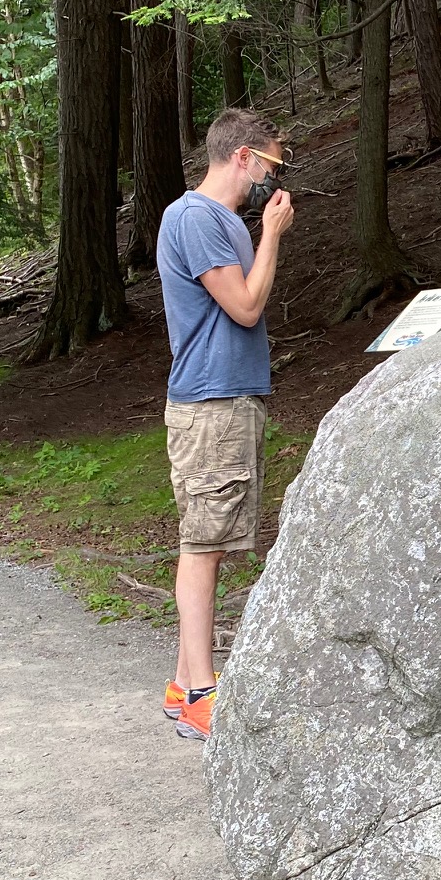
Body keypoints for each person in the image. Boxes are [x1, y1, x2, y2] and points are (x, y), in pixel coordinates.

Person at [156, 107, 294, 741]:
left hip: (228, 400)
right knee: (203, 547)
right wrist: (271, 234)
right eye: (272, 164)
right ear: (243, 157)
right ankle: (205, 694)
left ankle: (184, 687)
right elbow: (243, 306)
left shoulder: (221, 223)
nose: (274, 176)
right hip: (209, 406)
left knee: (206, 541)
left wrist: (259, 234)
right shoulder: (196, 219)